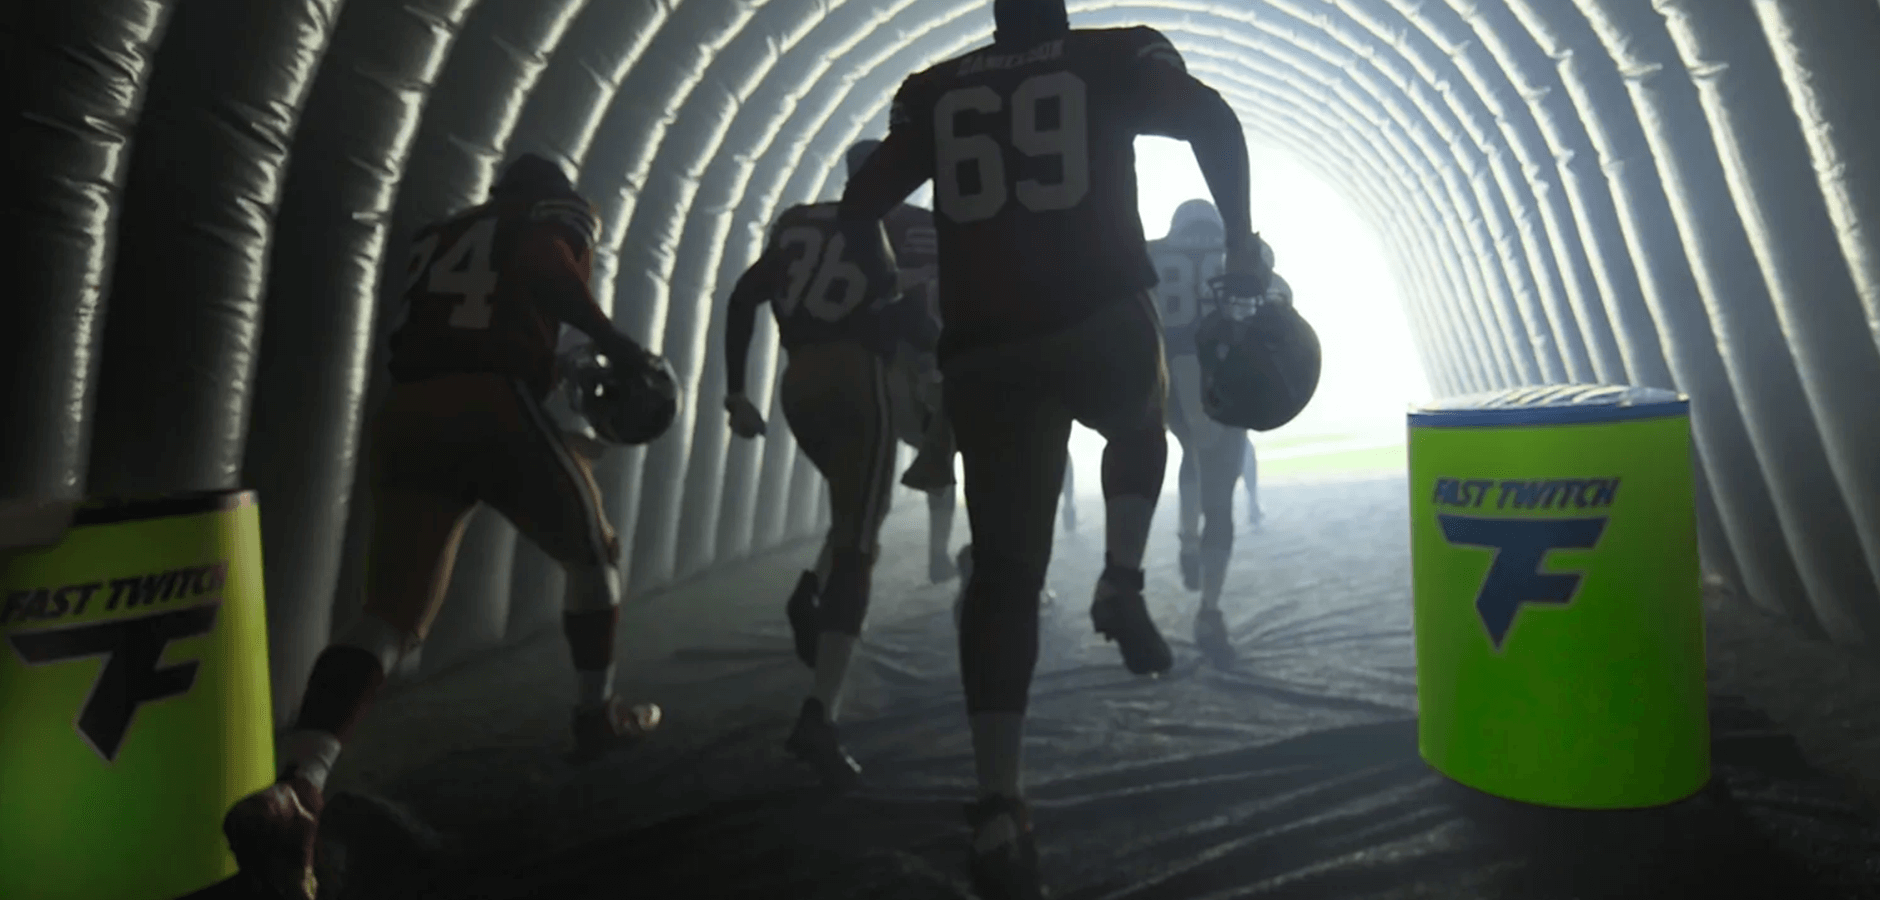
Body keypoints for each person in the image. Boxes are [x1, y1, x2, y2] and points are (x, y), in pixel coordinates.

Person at [838, 1, 1269, 896]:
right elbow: (1212, 118)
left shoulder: (937, 87)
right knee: (1141, 418)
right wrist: (1239, 247)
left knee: (1001, 574)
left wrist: (890, 297)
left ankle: (999, 804)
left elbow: (860, 202)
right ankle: (1121, 575)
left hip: (986, 345)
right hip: (1098, 310)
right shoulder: (1111, 58)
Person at [221, 154, 671, 900]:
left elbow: (463, 307)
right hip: (490, 399)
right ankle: (595, 718)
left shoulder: (442, 233)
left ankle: (297, 789)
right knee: (598, 554)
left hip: (409, 409)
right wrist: (617, 342)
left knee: (389, 619)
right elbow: (540, 264)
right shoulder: (550, 217)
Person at [720, 161, 913, 790]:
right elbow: (890, 299)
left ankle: (809, 589)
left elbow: (743, 297)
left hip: (797, 380)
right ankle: (820, 713)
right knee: (861, 539)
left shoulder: (797, 228)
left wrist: (734, 393)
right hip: (858, 373)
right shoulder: (871, 224)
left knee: (850, 509)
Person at [1151, 198, 1256, 664]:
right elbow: (1274, 307)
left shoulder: (1151, 254)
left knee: (1188, 449)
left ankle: (1185, 539)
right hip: (1224, 382)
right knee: (1221, 501)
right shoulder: (1247, 253)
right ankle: (1209, 610)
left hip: (1171, 382)